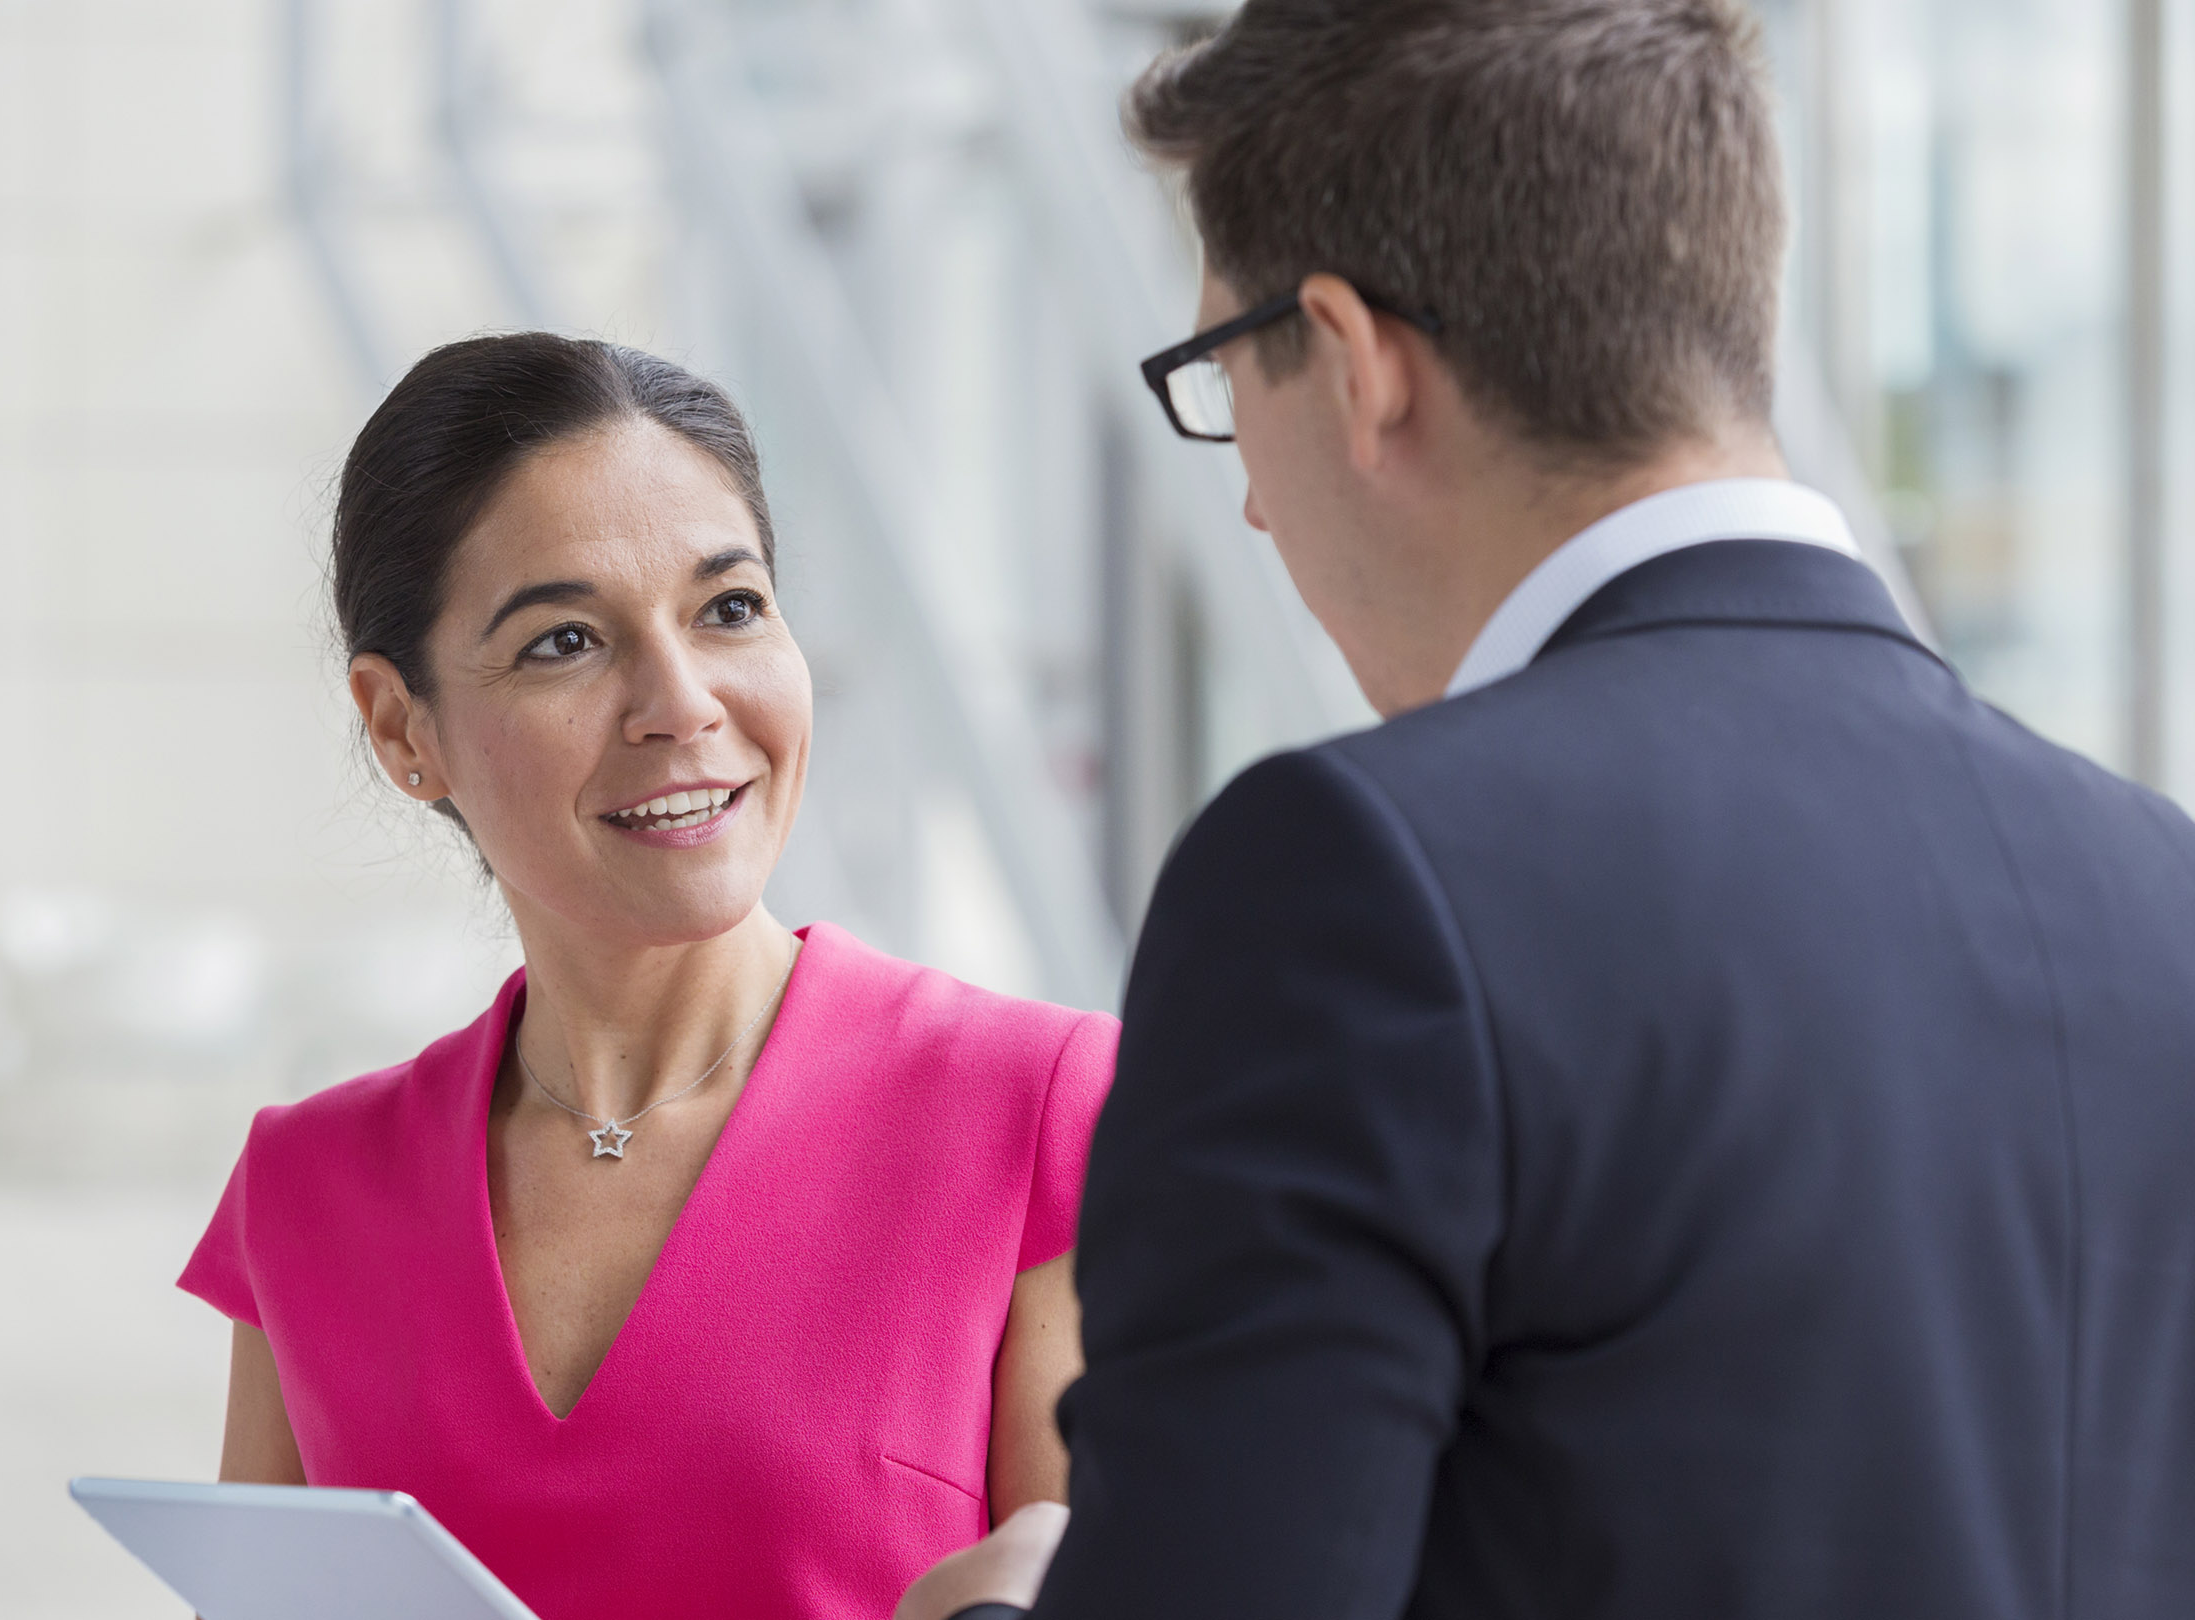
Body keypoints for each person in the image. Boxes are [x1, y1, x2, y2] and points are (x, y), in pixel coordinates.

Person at [900, 1, 2195, 1617]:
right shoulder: (2159, 889)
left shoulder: (1361, 886)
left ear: (1358, 365)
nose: (1241, 489)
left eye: (1222, 377)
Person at [176, 333, 1116, 1620]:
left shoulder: (1039, 1111)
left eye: (729, 608)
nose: (680, 704)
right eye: (567, 641)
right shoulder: (310, 1193)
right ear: (405, 730)